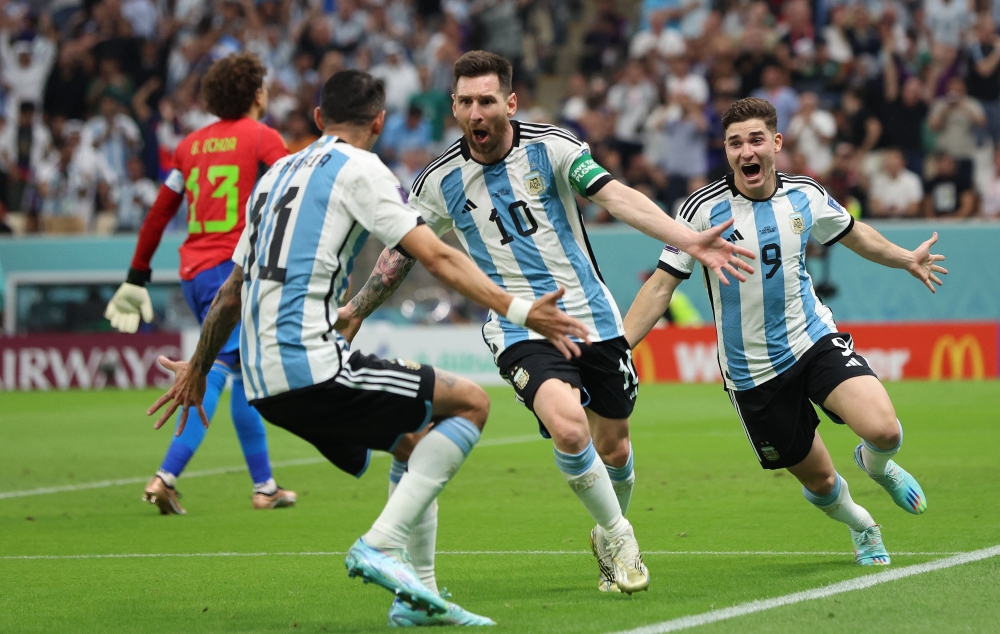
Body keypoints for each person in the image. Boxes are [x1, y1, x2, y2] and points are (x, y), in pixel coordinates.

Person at [148, 69, 589, 627]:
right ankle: (380, 545)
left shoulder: (276, 174)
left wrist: (200, 368)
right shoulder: (362, 169)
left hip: (261, 380)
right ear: (378, 122)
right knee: (472, 403)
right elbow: (437, 256)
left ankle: (418, 598)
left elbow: (233, 291)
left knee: (412, 442)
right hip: (310, 363)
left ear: (316, 119)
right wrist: (523, 311)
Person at [337, 51, 754, 596]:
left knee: (616, 450)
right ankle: (621, 534)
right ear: (455, 108)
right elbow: (402, 254)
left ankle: (607, 535)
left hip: (595, 322)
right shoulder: (438, 182)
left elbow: (614, 195)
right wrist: (356, 310)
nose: (475, 113)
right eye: (464, 102)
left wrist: (683, 236)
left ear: (509, 103)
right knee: (567, 425)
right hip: (518, 328)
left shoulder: (553, 148)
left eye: (487, 100)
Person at [624, 98, 946, 566]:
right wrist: (617, 348)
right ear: (727, 152)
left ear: (775, 143)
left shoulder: (805, 195)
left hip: (810, 338)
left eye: (755, 139)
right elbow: (659, 287)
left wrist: (905, 258)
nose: (745, 151)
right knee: (819, 483)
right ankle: (862, 525)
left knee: (885, 430)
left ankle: (876, 465)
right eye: (735, 143)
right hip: (752, 371)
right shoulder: (700, 210)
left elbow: (854, 233)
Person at [103, 53, 295, 515]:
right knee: (213, 370)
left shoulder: (189, 146)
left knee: (242, 370)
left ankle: (265, 486)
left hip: (193, 272)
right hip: (231, 273)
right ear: (256, 93)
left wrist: (137, 275)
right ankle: (166, 476)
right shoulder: (261, 136)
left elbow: (159, 213)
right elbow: (297, 181)